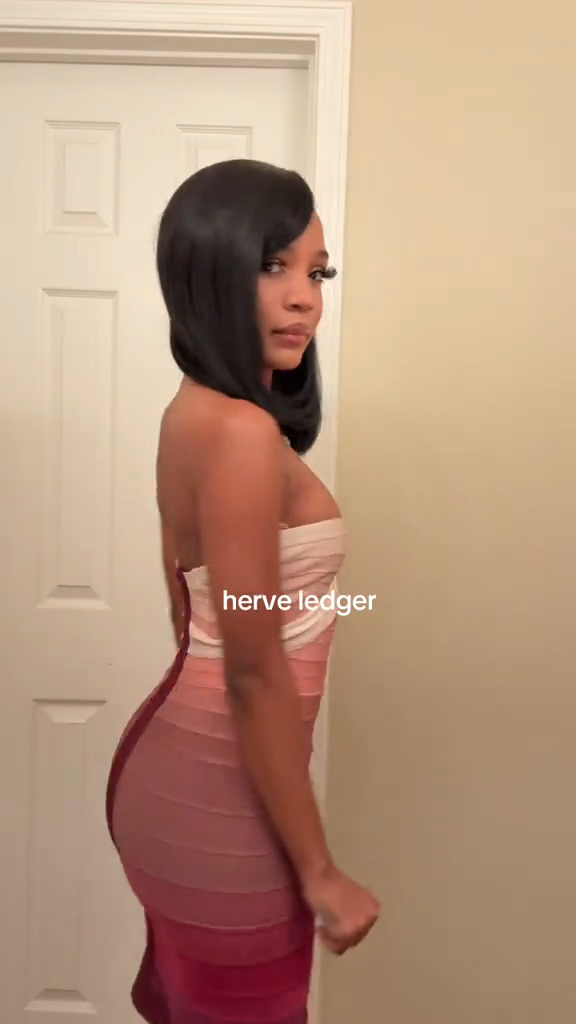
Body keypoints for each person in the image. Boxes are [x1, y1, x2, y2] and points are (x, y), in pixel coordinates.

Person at [105, 158, 379, 1024]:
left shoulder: (193, 411)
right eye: (272, 266)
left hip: (187, 767)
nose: (305, 299)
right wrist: (319, 871)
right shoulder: (240, 434)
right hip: (214, 793)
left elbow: (188, 610)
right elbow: (252, 670)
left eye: (317, 273)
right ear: (210, 271)